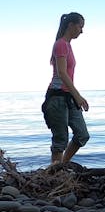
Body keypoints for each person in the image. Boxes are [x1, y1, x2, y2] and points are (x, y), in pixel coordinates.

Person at [41, 12, 90, 164]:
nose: (81, 31)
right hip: (57, 98)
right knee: (60, 140)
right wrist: (78, 97)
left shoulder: (68, 45)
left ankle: (62, 165)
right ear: (71, 25)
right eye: (80, 26)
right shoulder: (60, 44)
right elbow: (62, 73)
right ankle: (55, 173)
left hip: (68, 97)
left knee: (82, 134)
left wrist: (75, 96)